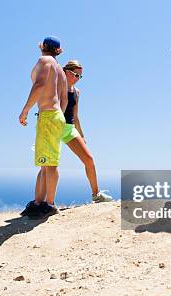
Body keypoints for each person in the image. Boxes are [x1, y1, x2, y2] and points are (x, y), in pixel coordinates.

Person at [34, 60, 112, 204]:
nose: (77, 79)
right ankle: (39, 203)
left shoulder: (76, 92)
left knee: (89, 159)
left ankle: (96, 194)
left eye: (80, 77)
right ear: (66, 72)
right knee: (46, 167)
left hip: (69, 128)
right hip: (52, 126)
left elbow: (75, 116)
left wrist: (81, 134)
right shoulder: (55, 87)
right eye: (75, 75)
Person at [19, 36, 67, 218]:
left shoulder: (44, 60)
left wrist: (25, 110)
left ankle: (49, 204)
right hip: (54, 116)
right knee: (45, 162)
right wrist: (58, 115)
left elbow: (39, 85)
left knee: (50, 163)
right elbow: (64, 98)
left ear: (44, 46)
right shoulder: (60, 71)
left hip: (48, 115)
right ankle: (38, 203)